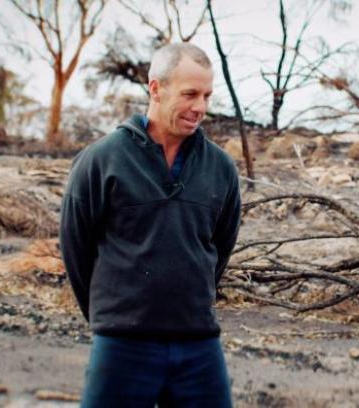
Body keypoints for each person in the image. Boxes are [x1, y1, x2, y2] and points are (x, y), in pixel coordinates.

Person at [59, 43, 241, 407]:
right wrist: (112, 316)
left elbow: (220, 248)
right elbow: (76, 249)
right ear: (155, 88)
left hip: (198, 345)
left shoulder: (221, 168)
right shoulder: (101, 160)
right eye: (189, 94)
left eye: (206, 95)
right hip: (123, 345)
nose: (200, 107)